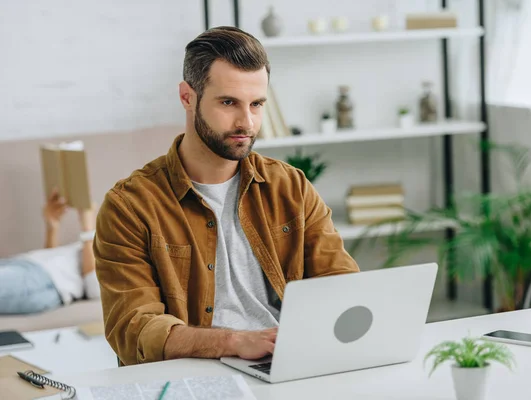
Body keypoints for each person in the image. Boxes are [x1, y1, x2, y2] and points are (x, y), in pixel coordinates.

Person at [94, 26, 360, 367]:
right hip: (194, 368)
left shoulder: (291, 187)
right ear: (187, 97)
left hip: (285, 361)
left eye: (257, 104)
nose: (246, 122)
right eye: (228, 102)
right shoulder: (130, 206)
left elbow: (340, 285)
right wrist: (234, 341)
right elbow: (133, 331)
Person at [0, 190, 100, 314]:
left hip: (45, 282)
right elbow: (51, 258)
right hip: (26, 265)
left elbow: (95, 290)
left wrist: (88, 229)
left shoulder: (123, 252)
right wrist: (52, 226)